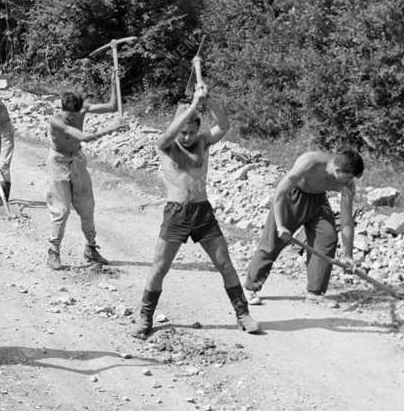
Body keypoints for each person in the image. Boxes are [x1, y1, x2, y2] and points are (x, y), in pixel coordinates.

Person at [132, 82, 261, 338]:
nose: (188, 137)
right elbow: (168, 136)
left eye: (192, 132)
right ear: (177, 128)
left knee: (225, 264)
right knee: (159, 267)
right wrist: (192, 105)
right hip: (176, 212)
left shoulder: (203, 141)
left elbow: (223, 126)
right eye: (184, 132)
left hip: (202, 212)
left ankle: (243, 314)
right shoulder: (167, 144)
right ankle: (145, 316)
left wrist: (208, 99)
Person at [243, 146, 365, 307]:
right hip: (291, 197)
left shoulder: (348, 185)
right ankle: (251, 287)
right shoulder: (310, 162)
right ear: (337, 170)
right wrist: (280, 226)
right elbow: (279, 193)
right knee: (272, 243)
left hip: (318, 202)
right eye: (348, 178)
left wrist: (348, 255)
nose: (350, 182)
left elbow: (346, 220)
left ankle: (315, 293)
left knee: (327, 238)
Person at [46, 79, 126, 270]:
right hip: (58, 163)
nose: (72, 118)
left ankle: (91, 248)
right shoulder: (56, 121)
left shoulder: (83, 109)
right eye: (69, 115)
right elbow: (83, 137)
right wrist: (113, 127)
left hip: (77, 161)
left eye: (75, 115)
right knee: (62, 210)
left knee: (87, 207)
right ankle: (53, 252)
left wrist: (114, 81)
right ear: (63, 108)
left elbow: (112, 106)